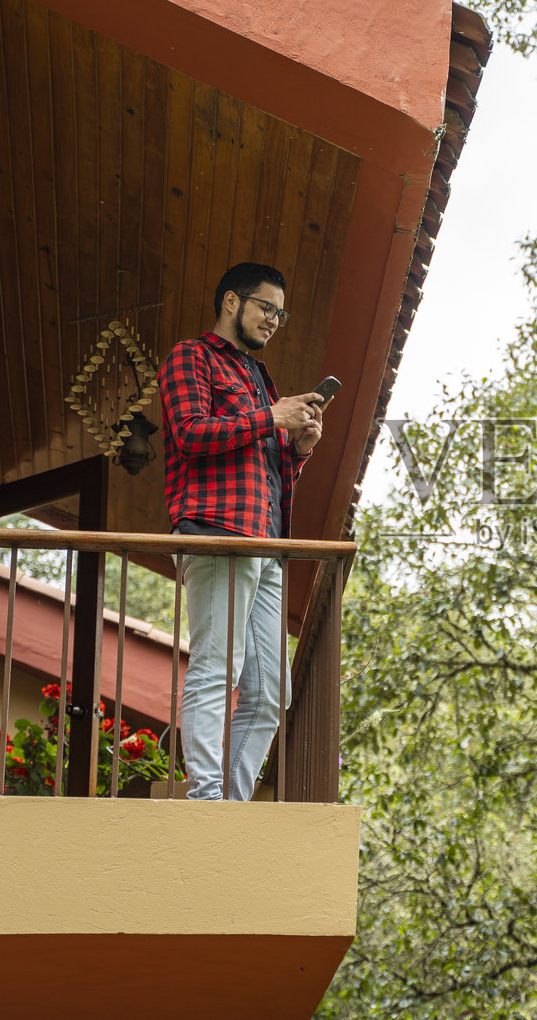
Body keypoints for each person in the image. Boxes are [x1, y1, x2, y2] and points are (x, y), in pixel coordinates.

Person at [156, 261, 328, 800]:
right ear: (232, 302)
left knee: (269, 690)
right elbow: (189, 433)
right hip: (217, 533)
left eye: (281, 313)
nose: (274, 320)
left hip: (265, 545)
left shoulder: (260, 379)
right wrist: (271, 418)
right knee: (217, 667)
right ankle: (206, 795)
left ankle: (232, 800)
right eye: (265, 307)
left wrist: (297, 450)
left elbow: (264, 467)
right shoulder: (192, 356)